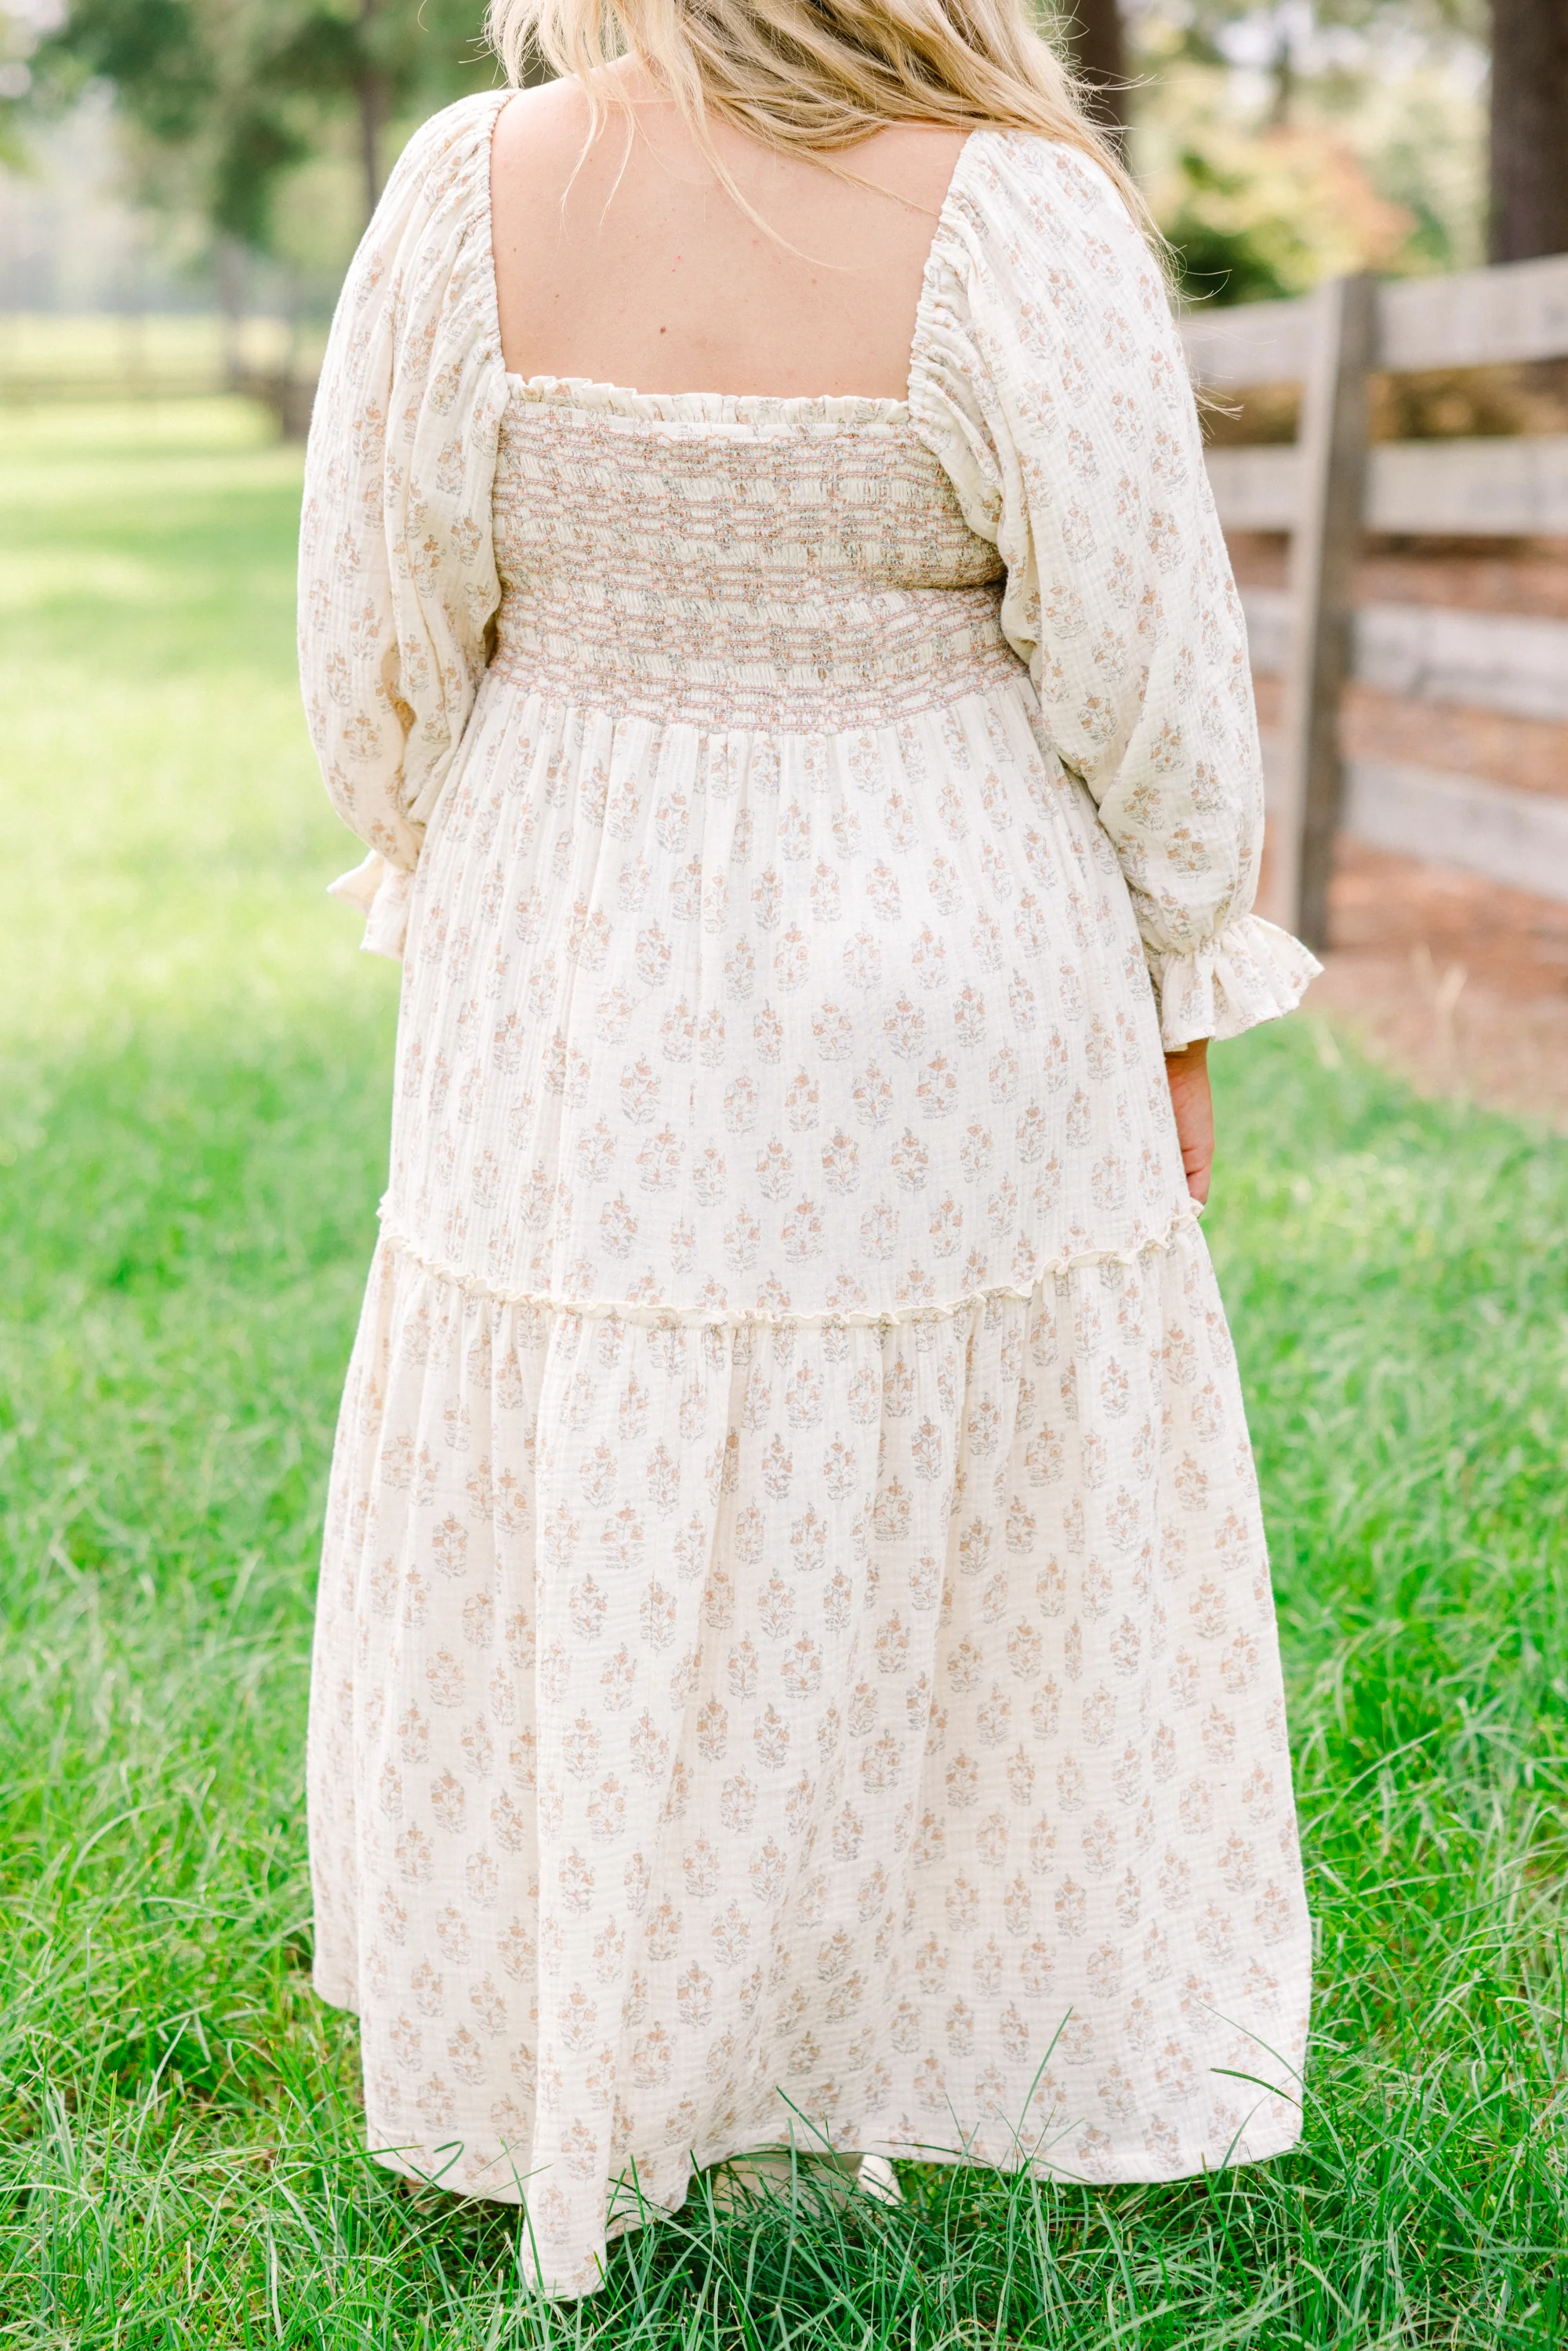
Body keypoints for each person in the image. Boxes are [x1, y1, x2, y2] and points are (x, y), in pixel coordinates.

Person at [298, 0, 1320, 2297]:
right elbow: (1146, 664)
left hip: (573, 928)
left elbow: (376, 636)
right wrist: (1177, 971)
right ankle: (920, 2036)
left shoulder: (467, 190)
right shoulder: (1016, 211)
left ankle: (609, 2050)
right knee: (940, 1501)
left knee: (600, 1465)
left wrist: (478, 853)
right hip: (942, 937)